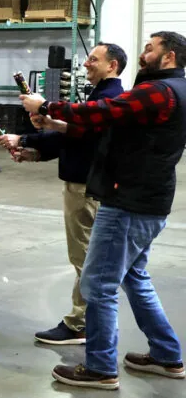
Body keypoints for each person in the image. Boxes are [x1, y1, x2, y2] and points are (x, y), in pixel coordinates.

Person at [21, 32, 186, 390]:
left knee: (98, 283)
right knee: (134, 279)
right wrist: (55, 125)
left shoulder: (159, 91)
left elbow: (102, 113)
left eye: (150, 48)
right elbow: (108, 128)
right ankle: (167, 355)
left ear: (169, 56)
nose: (144, 53)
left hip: (128, 202)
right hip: (148, 201)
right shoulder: (169, 90)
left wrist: (46, 106)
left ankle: (99, 367)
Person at [0, 43, 126, 345]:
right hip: (82, 186)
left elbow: (81, 133)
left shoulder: (110, 98)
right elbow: (74, 136)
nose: (87, 65)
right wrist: (35, 151)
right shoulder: (100, 96)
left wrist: (31, 129)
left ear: (113, 65)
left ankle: (81, 323)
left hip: (87, 189)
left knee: (86, 259)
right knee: (87, 258)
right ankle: (87, 321)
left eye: (94, 60)